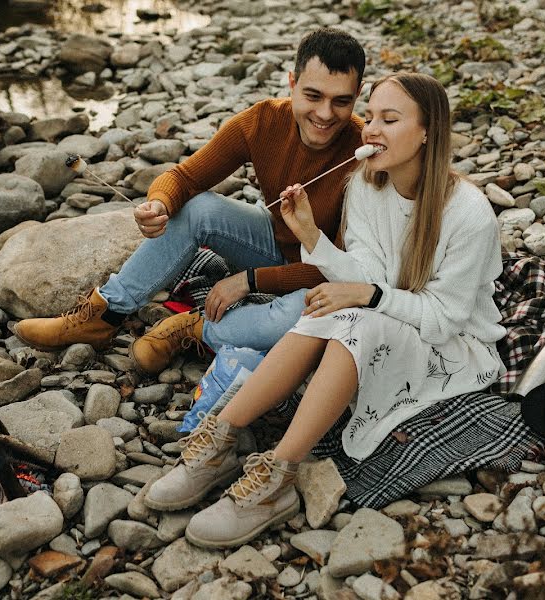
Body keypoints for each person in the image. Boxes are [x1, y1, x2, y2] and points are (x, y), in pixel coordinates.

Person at [143, 72, 507, 549]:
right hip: (391, 319)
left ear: (427, 133)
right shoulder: (366, 188)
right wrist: (312, 236)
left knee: (353, 315)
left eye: (390, 119)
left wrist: (366, 297)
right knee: (324, 308)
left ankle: (278, 479)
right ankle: (219, 442)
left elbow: (444, 319)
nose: (371, 129)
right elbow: (366, 273)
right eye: (371, 116)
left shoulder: (470, 214)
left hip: (451, 347)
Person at [13, 28, 366, 374]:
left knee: (308, 313)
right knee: (199, 207)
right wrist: (160, 204)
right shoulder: (262, 121)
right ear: (292, 82)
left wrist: (250, 281)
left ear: (358, 94)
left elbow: (339, 270)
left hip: (327, 276)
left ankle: (192, 330)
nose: (324, 114)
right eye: (313, 95)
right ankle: (104, 314)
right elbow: (183, 178)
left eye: (341, 101)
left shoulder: (367, 156)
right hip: (274, 239)